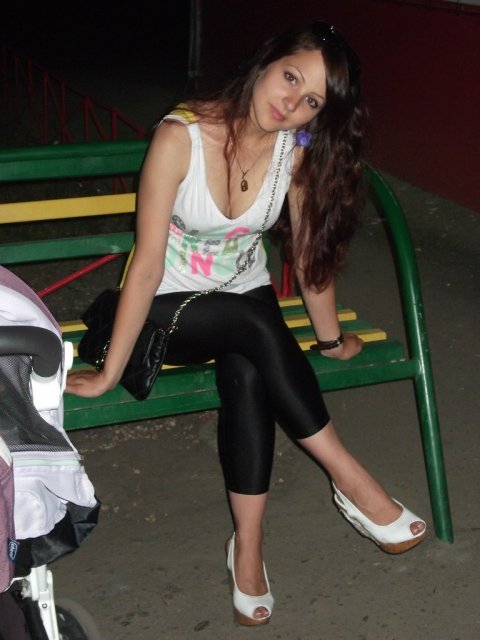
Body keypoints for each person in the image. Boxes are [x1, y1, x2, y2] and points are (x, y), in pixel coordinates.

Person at [66, 20, 426, 626]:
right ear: (266, 62)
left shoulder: (295, 151)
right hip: (168, 310)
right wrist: (108, 374)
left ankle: (249, 551)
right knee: (251, 323)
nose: (291, 103)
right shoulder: (180, 137)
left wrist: (331, 340)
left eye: (312, 101)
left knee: (250, 364)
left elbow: (307, 260)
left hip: (244, 309)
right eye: (291, 77)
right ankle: (352, 479)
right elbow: (147, 267)